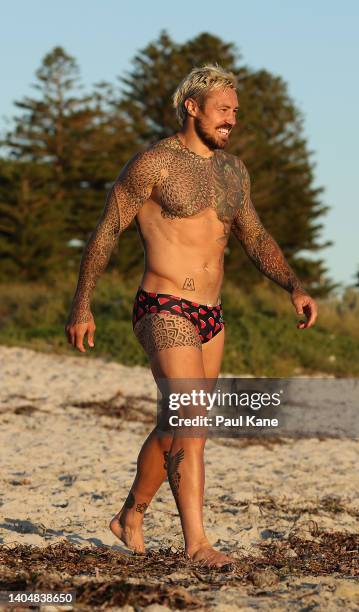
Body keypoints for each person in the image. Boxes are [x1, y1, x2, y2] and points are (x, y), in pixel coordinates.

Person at [65, 64, 318, 568]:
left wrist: (293, 285)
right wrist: (82, 303)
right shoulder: (153, 164)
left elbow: (256, 236)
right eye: (223, 110)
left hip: (211, 315)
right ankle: (197, 544)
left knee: (177, 424)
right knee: (193, 419)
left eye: (235, 113)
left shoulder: (233, 172)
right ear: (193, 107)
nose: (231, 120)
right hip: (163, 305)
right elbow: (107, 231)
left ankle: (130, 514)